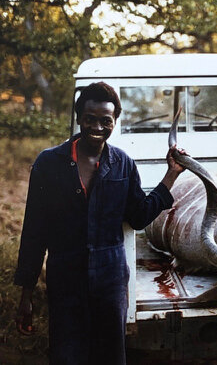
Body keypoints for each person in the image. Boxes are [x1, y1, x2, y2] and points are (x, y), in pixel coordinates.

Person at [14, 82, 186, 364]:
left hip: (111, 281)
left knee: (110, 356)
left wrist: (172, 174)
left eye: (105, 121)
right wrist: (26, 294)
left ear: (114, 122)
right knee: (66, 354)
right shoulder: (48, 163)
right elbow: (34, 232)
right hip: (65, 278)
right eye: (90, 119)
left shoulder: (123, 164)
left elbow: (140, 216)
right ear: (79, 118)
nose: (97, 127)